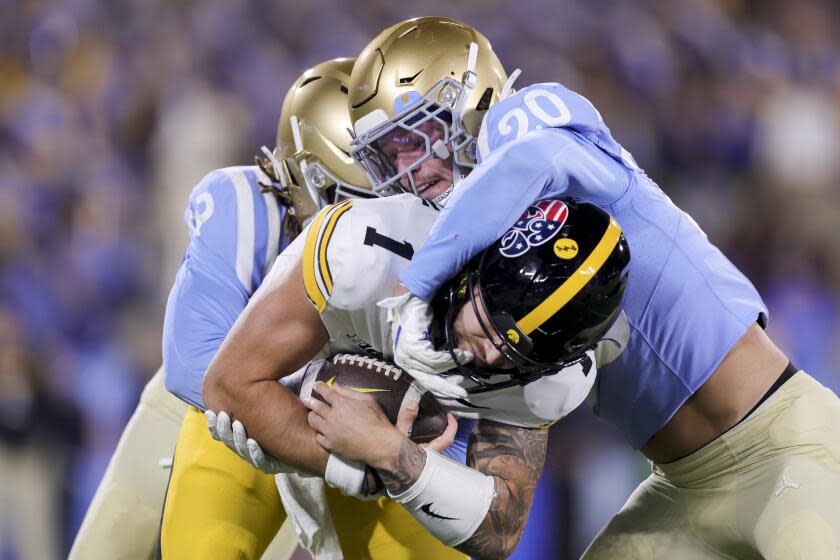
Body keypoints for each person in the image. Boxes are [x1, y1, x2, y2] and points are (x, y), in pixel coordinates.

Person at [346, 16, 840, 560]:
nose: (411, 168)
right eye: (391, 155)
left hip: (783, 444)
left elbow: (534, 161)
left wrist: (413, 287)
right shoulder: (476, 261)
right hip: (679, 486)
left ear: (468, 102)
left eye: (417, 138)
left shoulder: (527, 123)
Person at [202, 194, 629, 560]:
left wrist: (384, 452)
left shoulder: (549, 384)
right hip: (267, 393)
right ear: (472, 271)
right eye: (489, 321)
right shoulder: (369, 254)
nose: (491, 353)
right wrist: (341, 460)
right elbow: (227, 385)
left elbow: (501, 528)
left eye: (519, 354)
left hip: (394, 476)